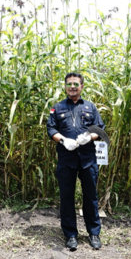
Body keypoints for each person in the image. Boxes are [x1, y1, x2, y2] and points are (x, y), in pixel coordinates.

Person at [46, 72, 105, 250]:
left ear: (82, 87)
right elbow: (51, 128)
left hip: (88, 159)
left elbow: (99, 128)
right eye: (69, 84)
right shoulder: (57, 107)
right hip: (66, 159)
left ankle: (94, 233)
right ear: (65, 87)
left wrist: (89, 137)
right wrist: (63, 140)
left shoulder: (90, 107)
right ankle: (70, 234)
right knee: (67, 197)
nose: (72, 87)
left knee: (90, 196)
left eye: (76, 84)